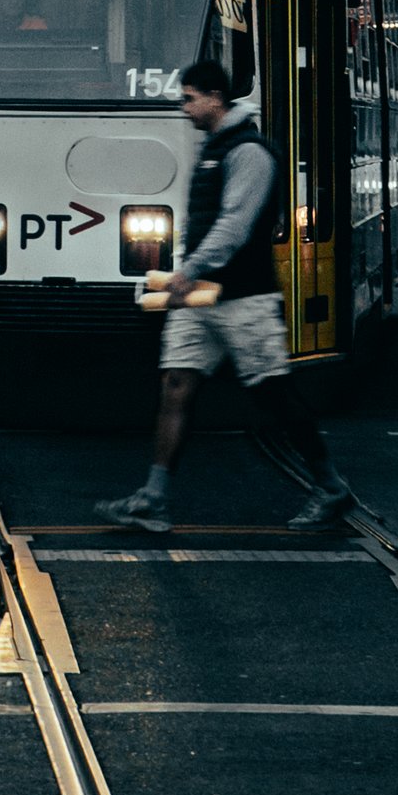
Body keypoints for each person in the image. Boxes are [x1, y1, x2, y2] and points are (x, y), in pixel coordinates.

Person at [97, 64, 353, 539]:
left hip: (244, 296)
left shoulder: (251, 153)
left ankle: (330, 486)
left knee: (272, 392)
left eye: (190, 98)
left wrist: (185, 272)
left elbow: (235, 226)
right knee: (176, 383)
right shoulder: (214, 147)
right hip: (201, 298)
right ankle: (152, 499)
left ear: (217, 97)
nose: (184, 108)